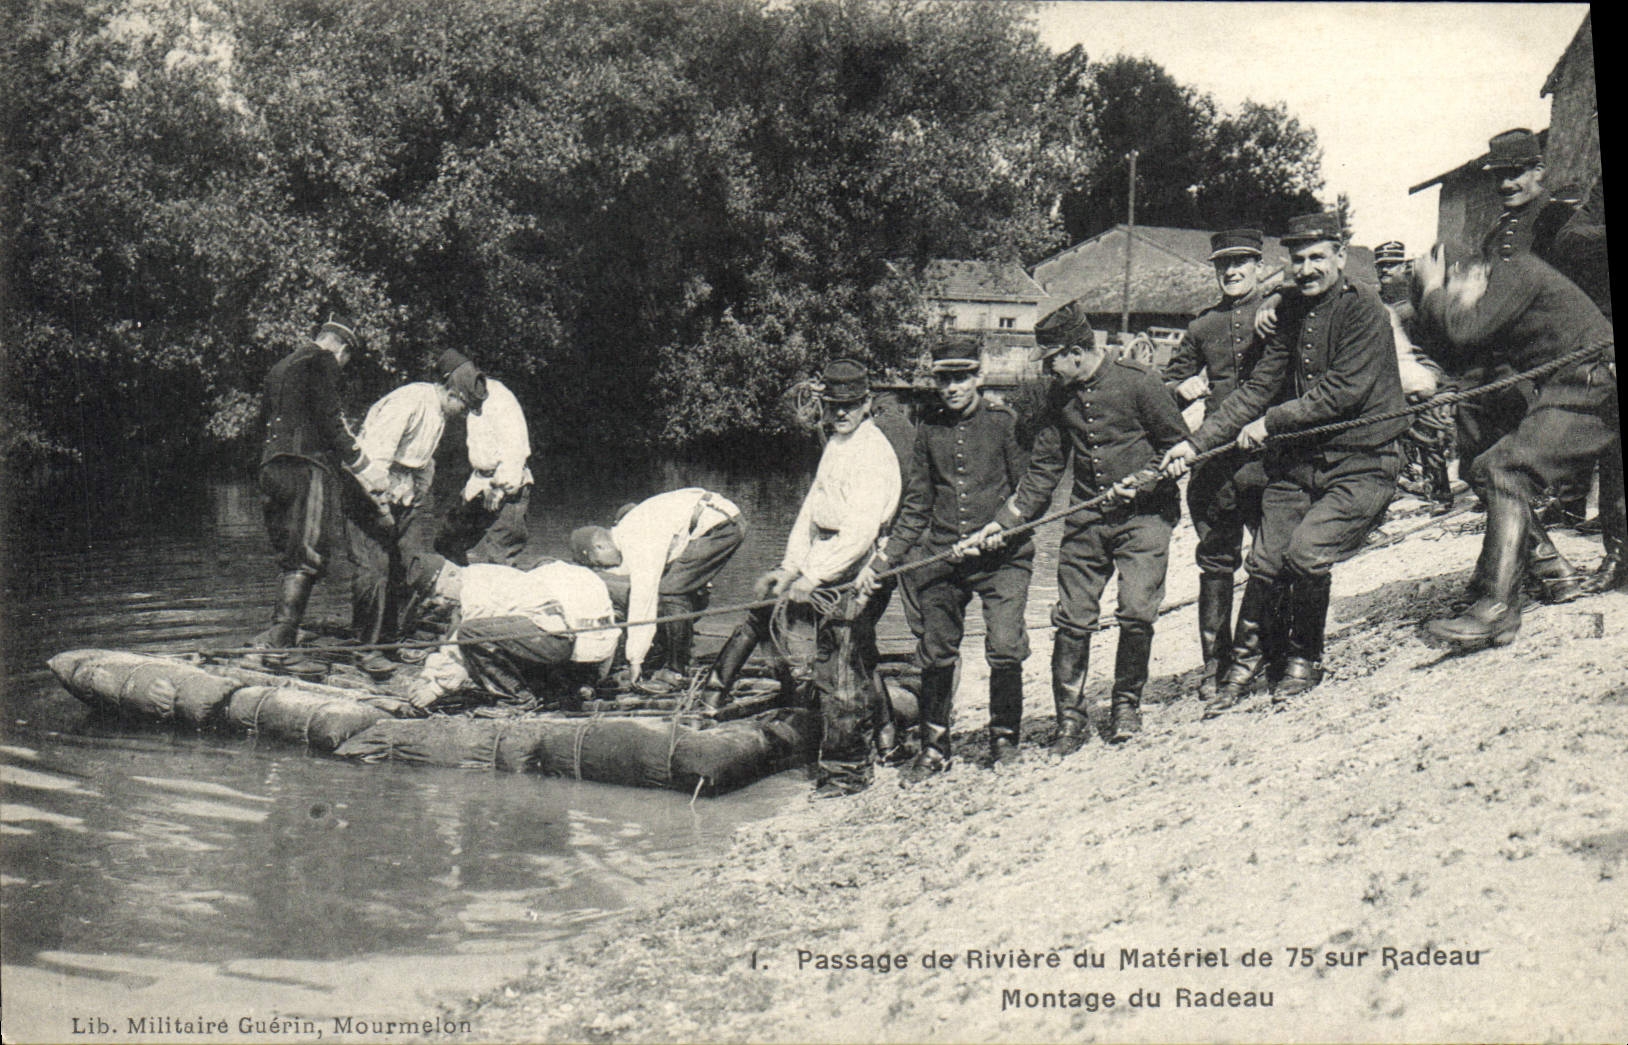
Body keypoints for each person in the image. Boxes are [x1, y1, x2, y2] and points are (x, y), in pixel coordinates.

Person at [1163, 211, 1409, 718]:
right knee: (1265, 559)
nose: (1308, 268)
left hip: (1363, 459)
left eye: (1318, 257)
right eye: (1298, 259)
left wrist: (1272, 423)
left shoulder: (1365, 308)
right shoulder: (1291, 307)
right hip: (1301, 464)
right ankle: (1244, 662)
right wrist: (1196, 444)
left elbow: (1342, 391)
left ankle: (1303, 656)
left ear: (1341, 256)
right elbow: (1258, 387)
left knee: (1306, 554)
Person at [969, 301, 1190, 756]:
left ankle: (1125, 707)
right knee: (1072, 618)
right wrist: (1005, 523)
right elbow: (1045, 471)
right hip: (1087, 520)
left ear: (1074, 352)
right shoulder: (1059, 396)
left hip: (1145, 518)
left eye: (1051, 359)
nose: (1047, 369)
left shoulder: (1140, 382)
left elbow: (1180, 448)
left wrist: (1146, 480)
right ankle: (1070, 721)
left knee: (1136, 610)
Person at [707, 359, 901, 797]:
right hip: (828, 555)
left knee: (839, 666)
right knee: (857, 656)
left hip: (860, 565)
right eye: (833, 405)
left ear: (867, 403)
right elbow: (811, 513)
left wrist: (813, 576)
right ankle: (887, 738)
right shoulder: (837, 443)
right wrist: (790, 567)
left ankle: (847, 772)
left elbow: (859, 533)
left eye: (850, 404)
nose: (841, 412)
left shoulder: (872, 452)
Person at [1415, 245, 1616, 648]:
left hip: (1593, 382)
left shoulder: (1514, 269)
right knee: (1486, 465)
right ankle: (1541, 573)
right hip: (1585, 383)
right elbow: (1466, 350)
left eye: (1455, 293)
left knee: (1502, 469)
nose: (1457, 306)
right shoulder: (1507, 285)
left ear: (1470, 273)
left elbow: (1463, 330)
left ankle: (1497, 609)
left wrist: (1433, 289)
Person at [856, 334, 1031, 776]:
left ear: (979, 376)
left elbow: (1030, 493)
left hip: (1003, 559)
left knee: (1005, 646)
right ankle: (934, 748)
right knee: (934, 651)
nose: (952, 388)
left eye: (961, 378)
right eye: (944, 379)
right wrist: (882, 563)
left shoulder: (1005, 423)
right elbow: (917, 507)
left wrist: (1004, 528)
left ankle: (1004, 740)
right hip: (944, 556)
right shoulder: (928, 428)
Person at [1160, 228, 1273, 702]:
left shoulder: (1280, 312)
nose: (1231, 272)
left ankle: (1265, 652)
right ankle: (1215, 664)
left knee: (1271, 558)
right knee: (1215, 562)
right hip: (1215, 463)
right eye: (1223, 264)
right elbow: (1167, 384)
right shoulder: (1203, 326)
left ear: (1259, 266)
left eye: (1240, 262)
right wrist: (1179, 388)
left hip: (1269, 457)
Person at [252, 310, 389, 677]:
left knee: (289, 556)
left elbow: (264, 421)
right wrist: (367, 470)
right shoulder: (323, 362)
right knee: (307, 557)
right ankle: (280, 648)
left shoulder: (280, 366)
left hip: (271, 467)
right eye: (347, 358)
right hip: (306, 467)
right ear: (342, 348)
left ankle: (278, 638)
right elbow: (332, 423)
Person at [347, 350, 486, 678]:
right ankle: (366, 648)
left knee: (409, 565)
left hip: (404, 493)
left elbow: (424, 461)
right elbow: (376, 456)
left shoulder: (440, 413)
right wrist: (380, 505)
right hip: (368, 486)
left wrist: (418, 496)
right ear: (452, 394)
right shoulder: (410, 401)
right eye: (464, 407)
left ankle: (391, 640)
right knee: (374, 569)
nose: (463, 415)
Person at [569, 487, 745, 688]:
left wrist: (635, 660)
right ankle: (670, 655)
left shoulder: (638, 541)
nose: (605, 569)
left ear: (600, 546)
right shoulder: (628, 532)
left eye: (599, 564)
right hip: (717, 520)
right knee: (670, 589)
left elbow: (643, 601)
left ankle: (676, 671)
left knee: (670, 593)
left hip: (721, 527)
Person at [404, 555, 621, 711]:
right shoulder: (472, 578)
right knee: (470, 634)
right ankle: (539, 691)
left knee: (471, 635)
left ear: (452, 574)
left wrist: (435, 689)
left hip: (552, 641)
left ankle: (517, 700)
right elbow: (451, 640)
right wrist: (427, 677)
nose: (440, 602)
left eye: (440, 594)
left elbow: (461, 649)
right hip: (541, 640)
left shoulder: (476, 591)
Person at [1376, 240, 1456, 516]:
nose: (1385, 270)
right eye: (1380, 265)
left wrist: (1438, 380)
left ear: (1404, 266)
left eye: (1391, 264)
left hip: (1422, 374)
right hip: (1389, 378)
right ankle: (1399, 485)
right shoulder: (1376, 301)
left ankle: (1440, 494)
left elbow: (1437, 344)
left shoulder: (1418, 299)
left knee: (1428, 434)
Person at [436, 369, 534, 566]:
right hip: (479, 484)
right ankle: (460, 582)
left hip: (508, 486)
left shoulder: (501, 399)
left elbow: (515, 450)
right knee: (448, 541)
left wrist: (499, 488)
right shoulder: (470, 399)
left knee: (499, 553)